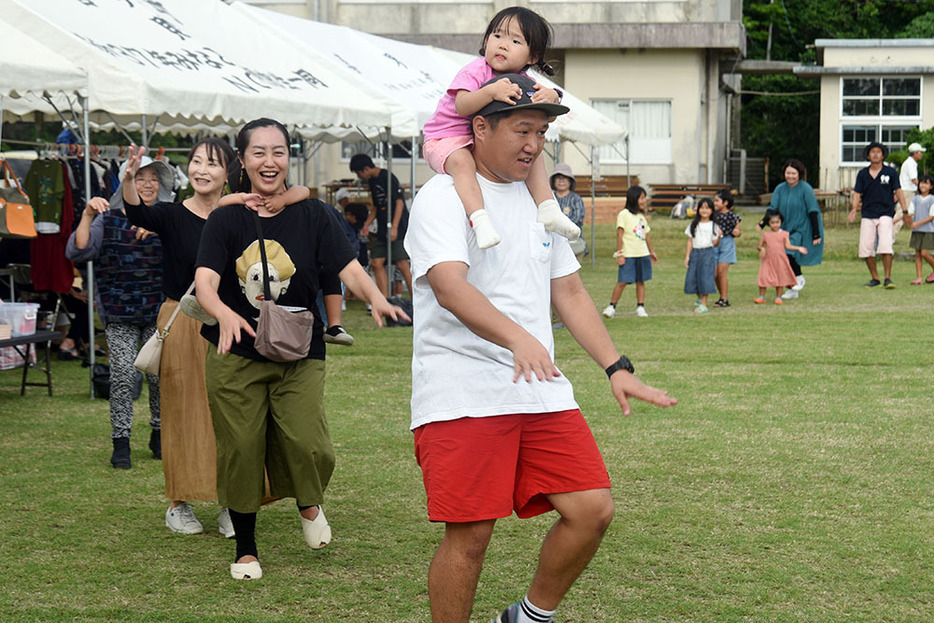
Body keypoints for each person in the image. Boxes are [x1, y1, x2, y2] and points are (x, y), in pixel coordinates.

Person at [404, 74, 677, 623]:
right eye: (522, 130)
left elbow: (569, 290)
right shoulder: (441, 196)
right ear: (479, 127)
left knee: (592, 509)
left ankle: (528, 616)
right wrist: (518, 337)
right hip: (463, 392)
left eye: (542, 134)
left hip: (539, 390)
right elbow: (450, 286)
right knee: (472, 537)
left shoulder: (543, 204)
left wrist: (615, 367)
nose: (534, 145)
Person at [194, 118, 407, 581]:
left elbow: (348, 267)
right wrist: (224, 313)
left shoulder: (314, 214)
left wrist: (376, 298)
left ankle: (309, 503)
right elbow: (205, 282)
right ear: (243, 159)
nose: (269, 162)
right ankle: (247, 548)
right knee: (242, 448)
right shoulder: (226, 218)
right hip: (237, 353)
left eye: (277, 151)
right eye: (258, 153)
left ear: (287, 156)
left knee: (310, 443)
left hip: (299, 349)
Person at [124, 140, 236, 537]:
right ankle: (178, 503)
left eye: (212, 163)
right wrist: (128, 177)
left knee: (228, 413)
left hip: (228, 321)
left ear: (228, 172)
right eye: (196, 162)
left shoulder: (235, 214)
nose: (201, 170)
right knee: (182, 411)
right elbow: (136, 210)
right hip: (182, 318)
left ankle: (231, 503)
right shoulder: (172, 214)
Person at [421, 6, 579, 250]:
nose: (503, 44)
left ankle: (548, 208)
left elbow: (542, 118)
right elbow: (462, 106)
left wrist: (552, 95)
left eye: (515, 40)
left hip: (477, 139)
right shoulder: (475, 71)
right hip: (445, 138)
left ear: (532, 57)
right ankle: (479, 220)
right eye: (497, 36)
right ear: (486, 41)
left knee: (533, 152)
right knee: (463, 164)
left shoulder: (524, 81)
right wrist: (490, 91)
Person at [65, 158, 167, 469]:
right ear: (126, 182)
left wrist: (158, 231)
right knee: (123, 374)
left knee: (159, 377)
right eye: (140, 177)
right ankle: (120, 442)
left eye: (153, 179)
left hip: (158, 312)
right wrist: (86, 214)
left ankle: (159, 433)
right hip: (118, 312)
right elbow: (78, 251)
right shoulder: (107, 219)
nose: (147, 184)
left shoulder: (167, 218)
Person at [220, 186, 355, 346]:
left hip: (283, 257)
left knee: (329, 268)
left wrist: (283, 200)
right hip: (254, 259)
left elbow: (303, 190)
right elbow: (220, 203)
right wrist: (242, 198)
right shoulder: (235, 210)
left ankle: (334, 325)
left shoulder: (303, 208)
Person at [349, 154, 414, 298]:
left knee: (402, 263)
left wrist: (395, 227)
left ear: (366, 168)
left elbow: (399, 202)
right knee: (376, 262)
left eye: (359, 173)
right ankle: (384, 299)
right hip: (383, 228)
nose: (360, 176)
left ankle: (415, 301)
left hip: (398, 225)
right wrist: (366, 224)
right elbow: (376, 206)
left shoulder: (387, 177)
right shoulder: (372, 182)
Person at [848, 142, 907, 288]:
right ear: (868, 155)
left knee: (886, 245)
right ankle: (875, 278)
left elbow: (898, 191)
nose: (875, 154)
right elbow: (857, 193)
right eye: (872, 152)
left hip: (886, 212)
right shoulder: (862, 174)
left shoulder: (891, 172)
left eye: (878, 152)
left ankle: (887, 277)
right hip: (868, 213)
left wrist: (905, 210)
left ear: (882, 155)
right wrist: (854, 208)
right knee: (866, 247)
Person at [763, 159, 823, 299]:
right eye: (788, 173)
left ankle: (799, 277)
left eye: (794, 173)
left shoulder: (805, 188)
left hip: (802, 228)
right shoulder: (780, 188)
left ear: (799, 174)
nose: (790, 176)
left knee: (788, 252)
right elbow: (773, 208)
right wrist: (763, 223)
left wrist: (816, 233)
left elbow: (813, 210)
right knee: (780, 256)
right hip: (784, 228)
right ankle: (792, 289)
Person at [601, 185, 657, 318]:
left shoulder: (641, 217)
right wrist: (620, 254)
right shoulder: (624, 214)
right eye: (641, 198)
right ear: (633, 198)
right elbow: (619, 235)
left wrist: (652, 252)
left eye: (645, 198)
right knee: (622, 282)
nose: (644, 201)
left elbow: (646, 235)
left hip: (642, 254)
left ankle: (640, 307)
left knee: (641, 281)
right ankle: (611, 307)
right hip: (629, 254)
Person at [755, 209, 807, 304]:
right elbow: (759, 245)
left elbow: (788, 246)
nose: (775, 225)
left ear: (781, 222)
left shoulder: (784, 234)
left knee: (780, 278)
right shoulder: (766, 234)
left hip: (780, 260)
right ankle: (761, 296)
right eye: (772, 223)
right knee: (764, 277)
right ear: (768, 223)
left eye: (777, 222)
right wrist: (762, 249)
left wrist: (798, 248)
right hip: (768, 260)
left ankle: (778, 297)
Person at [683, 197, 721, 313]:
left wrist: (719, 236)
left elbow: (715, 243)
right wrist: (687, 256)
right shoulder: (693, 224)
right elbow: (690, 240)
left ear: (712, 211)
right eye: (702, 208)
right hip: (695, 253)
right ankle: (699, 298)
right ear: (698, 209)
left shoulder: (714, 225)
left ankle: (704, 303)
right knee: (693, 277)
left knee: (705, 277)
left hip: (707, 253)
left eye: (707, 208)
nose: (704, 211)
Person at [550, 163, 587, 261]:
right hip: (551, 240)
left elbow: (577, 220)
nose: (561, 180)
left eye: (565, 178)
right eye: (558, 177)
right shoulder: (549, 198)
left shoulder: (576, 199)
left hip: (573, 241)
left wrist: (559, 227)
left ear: (570, 181)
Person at [711, 188, 741, 307]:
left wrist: (737, 232)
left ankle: (724, 299)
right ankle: (721, 296)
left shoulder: (734, 216)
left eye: (717, 201)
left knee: (722, 272)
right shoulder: (712, 214)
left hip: (727, 243)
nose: (715, 203)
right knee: (715, 274)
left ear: (726, 203)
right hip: (713, 243)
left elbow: (738, 231)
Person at [907, 174, 934, 284]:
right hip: (917, 231)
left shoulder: (932, 199)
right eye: (922, 182)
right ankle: (919, 278)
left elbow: (931, 216)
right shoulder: (915, 199)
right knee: (917, 254)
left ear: (931, 186)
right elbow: (910, 212)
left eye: (926, 183)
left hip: (928, 230)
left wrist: (918, 223)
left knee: (924, 253)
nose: (923, 185)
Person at [898, 142, 925, 239]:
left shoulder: (911, 163)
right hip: (907, 192)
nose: (921, 154)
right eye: (920, 152)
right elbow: (914, 179)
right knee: (901, 215)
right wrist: (922, 188)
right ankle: (887, 239)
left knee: (915, 215)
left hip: (909, 191)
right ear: (915, 153)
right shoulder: (910, 163)